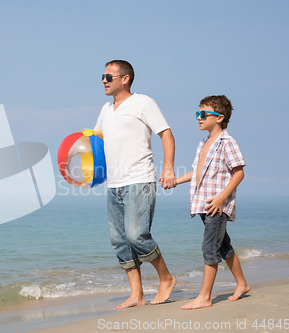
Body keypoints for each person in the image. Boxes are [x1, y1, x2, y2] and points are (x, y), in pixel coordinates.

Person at [94, 60, 177, 309]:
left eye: (109, 76)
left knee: (137, 235)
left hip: (139, 179)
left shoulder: (143, 103)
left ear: (125, 79)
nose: (104, 81)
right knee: (120, 241)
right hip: (114, 184)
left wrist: (169, 167)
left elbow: (166, 134)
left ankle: (166, 277)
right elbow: (95, 141)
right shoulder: (106, 110)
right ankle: (137, 294)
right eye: (103, 76)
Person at [171, 95, 250, 310]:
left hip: (217, 205)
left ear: (219, 117)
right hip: (203, 204)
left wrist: (222, 198)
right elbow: (197, 173)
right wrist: (176, 180)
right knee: (223, 246)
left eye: (203, 114)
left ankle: (205, 297)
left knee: (209, 248)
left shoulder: (227, 142)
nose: (198, 117)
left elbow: (239, 173)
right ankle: (242, 284)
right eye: (197, 113)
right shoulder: (204, 143)